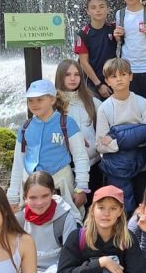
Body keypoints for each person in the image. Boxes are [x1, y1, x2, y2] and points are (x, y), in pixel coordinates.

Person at [7, 79, 90, 211]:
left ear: (52, 100)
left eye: (40, 99)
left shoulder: (67, 123)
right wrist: (12, 196)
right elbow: (18, 162)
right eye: (30, 100)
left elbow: (80, 156)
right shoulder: (25, 127)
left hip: (60, 182)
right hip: (30, 186)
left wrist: (81, 187)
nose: (34, 104)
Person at [16, 171, 83, 273]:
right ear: (25, 197)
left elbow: (69, 261)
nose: (39, 202)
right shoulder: (19, 221)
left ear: (53, 194)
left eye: (44, 196)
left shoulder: (66, 218)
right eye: (32, 197)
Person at [96, 57, 146, 213]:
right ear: (107, 81)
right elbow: (101, 145)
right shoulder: (104, 108)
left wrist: (117, 139)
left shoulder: (143, 103)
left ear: (131, 76)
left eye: (122, 74)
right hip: (117, 166)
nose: (119, 79)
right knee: (122, 208)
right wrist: (135, 135)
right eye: (113, 76)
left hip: (142, 164)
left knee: (144, 207)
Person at [55, 57, 102, 191]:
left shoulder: (94, 103)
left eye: (76, 74)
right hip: (63, 168)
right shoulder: (52, 106)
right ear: (60, 76)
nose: (72, 78)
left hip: (93, 165)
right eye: (67, 74)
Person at [73, 0, 117, 99]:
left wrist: (145, 4)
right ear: (88, 11)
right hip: (92, 83)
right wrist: (99, 84)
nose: (98, 10)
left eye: (102, 7)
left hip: (113, 79)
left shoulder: (114, 28)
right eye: (93, 7)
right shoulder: (83, 34)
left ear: (108, 9)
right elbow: (83, 62)